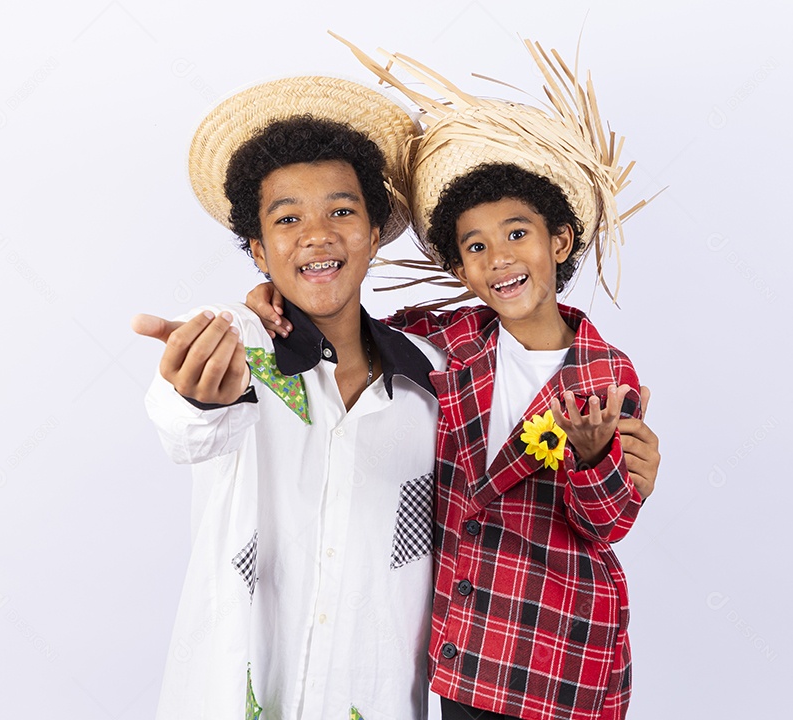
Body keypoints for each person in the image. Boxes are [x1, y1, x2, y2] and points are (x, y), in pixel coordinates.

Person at [246, 40, 661, 720]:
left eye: (517, 234)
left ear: (559, 242)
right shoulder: (445, 342)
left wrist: (593, 460)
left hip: (564, 650)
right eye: (476, 247)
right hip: (469, 649)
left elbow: (609, 523)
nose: (499, 258)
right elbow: (349, 326)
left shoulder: (605, 372)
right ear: (460, 272)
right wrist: (271, 297)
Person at [134, 76, 447, 720]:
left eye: (341, 211)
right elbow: (186, 428)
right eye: (286, 218)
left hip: (380, 697)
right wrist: (197, 395)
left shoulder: (432, 385)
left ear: (373, 235)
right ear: (258, 251)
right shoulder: (239, 342)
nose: (316, 234)